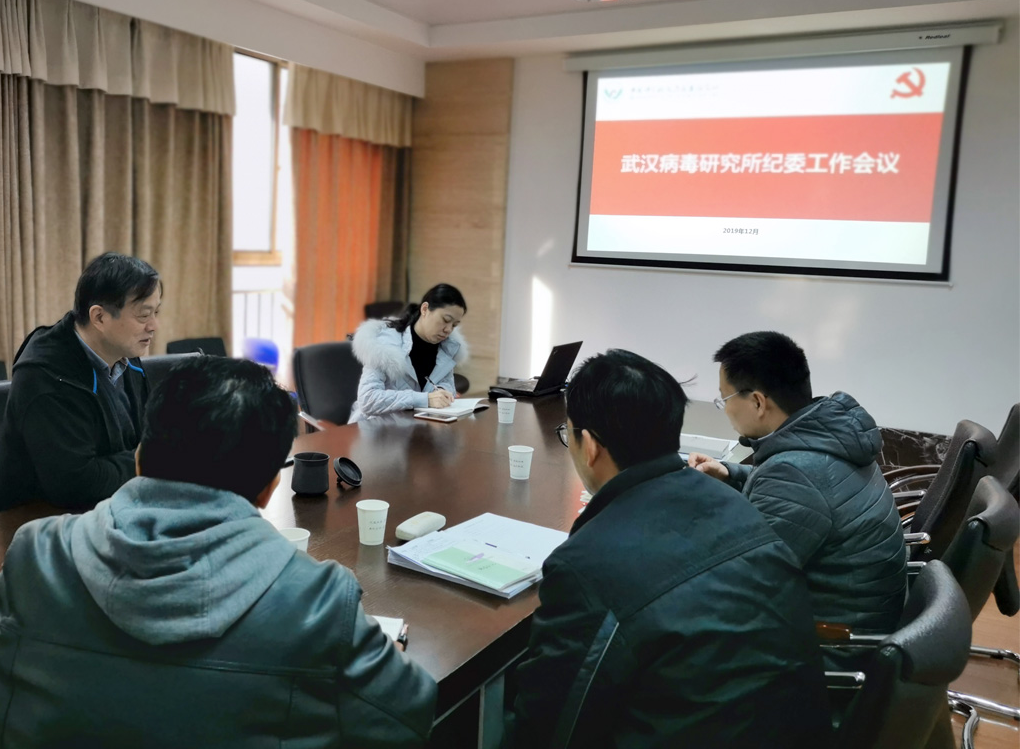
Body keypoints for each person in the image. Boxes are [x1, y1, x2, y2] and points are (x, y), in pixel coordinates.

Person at [0, 356, 437, 748]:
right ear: (268, 490)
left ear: (140, 458)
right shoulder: (320, 600)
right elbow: (407, 719)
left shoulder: (39, 555)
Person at [511, 349, 830, 749]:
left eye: (568, 434)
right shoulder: (734, 503)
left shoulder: (584, 566)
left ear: (589, 445)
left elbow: (551, 726)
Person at [687, 331, 907, 635]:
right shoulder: (829, 437)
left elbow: (740, 583)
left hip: (831, 642)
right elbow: (808, 494)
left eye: (724, 399)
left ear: (758, 402)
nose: (723, 409)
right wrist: (729, 473)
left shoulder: (793, 474)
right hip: (860, 612)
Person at [0, 252, 161, 510]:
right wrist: (149, 461)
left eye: (155, 312)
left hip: (114, 507)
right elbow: (76, 483)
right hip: (39, 522)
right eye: (143, 315)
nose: (154, 326)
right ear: (100, 317)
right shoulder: (46, 375)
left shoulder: (125, 355)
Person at [349, 283, 468, 422]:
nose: (448, 329)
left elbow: (447, 386)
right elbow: (368, 400)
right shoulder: (385, 343)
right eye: (445, 320)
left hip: (415, 426)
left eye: (454, 325)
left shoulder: (447, 348)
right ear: (425, 309)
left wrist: (441, 393)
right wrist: (425, 399)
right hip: (375, 428)